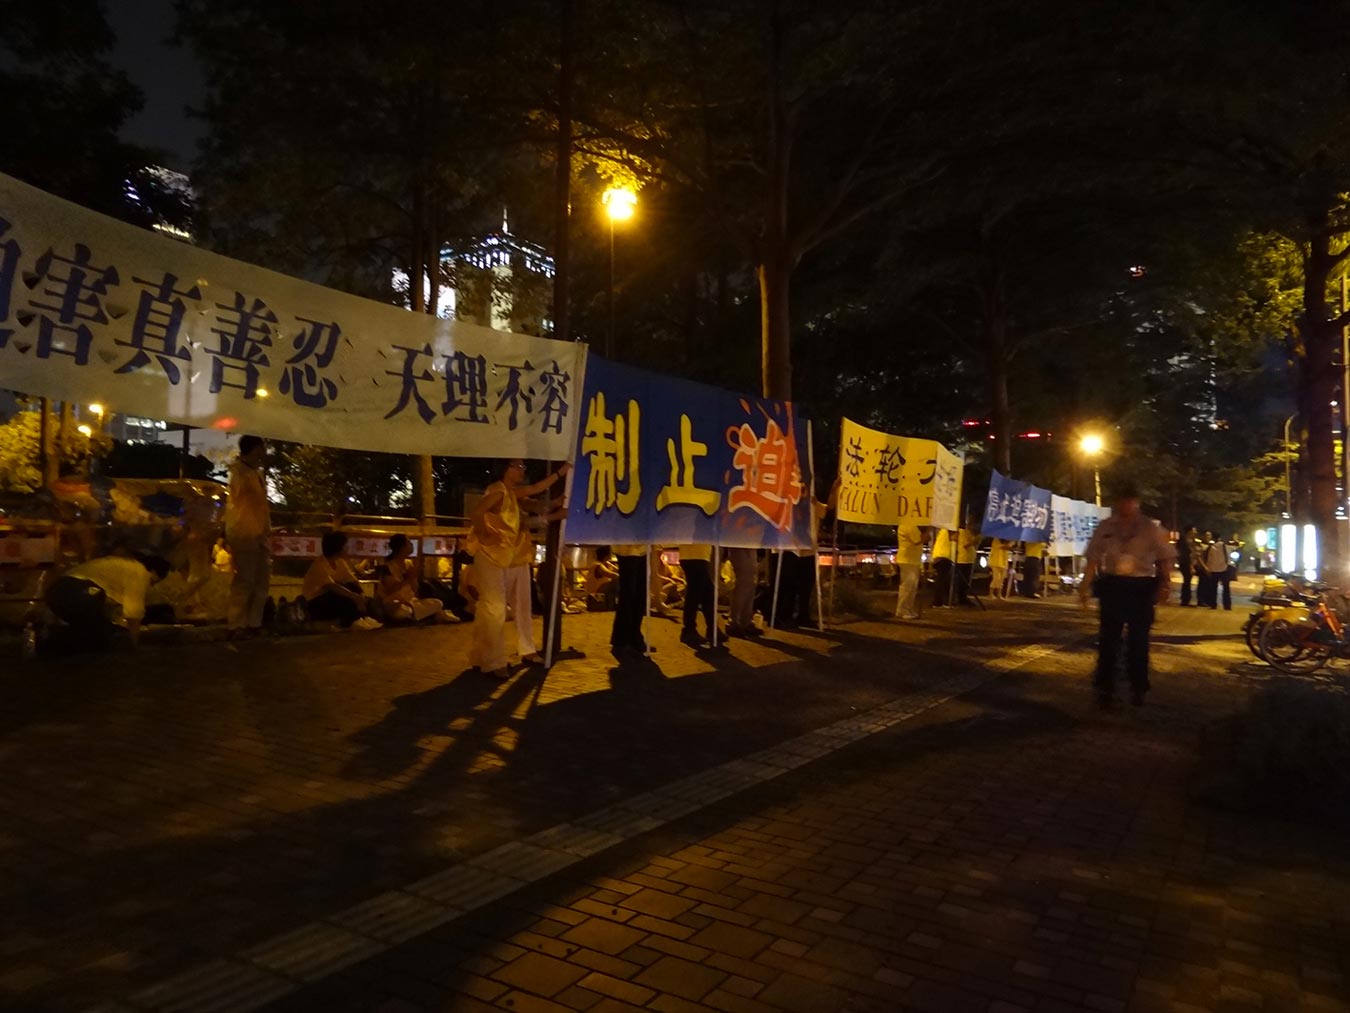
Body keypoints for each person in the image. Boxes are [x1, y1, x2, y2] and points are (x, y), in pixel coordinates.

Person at [1079, 484, 1176, 708]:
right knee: (1108, 639)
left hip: (1141, 587)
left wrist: (1165, 584)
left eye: (1131, 502)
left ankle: (1138, 687)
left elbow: (1164, 557)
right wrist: (1085, 586)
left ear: (1137, 503)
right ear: (1117, 502)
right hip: (1113, 585)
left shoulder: (1149, 527)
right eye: (1123, 501)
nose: (1127, 506)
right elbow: (1093, 557)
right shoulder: (1106, 526)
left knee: (1138, 640)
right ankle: (1105, 688)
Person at [469, 458, 567, 676]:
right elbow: (477, 513)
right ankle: (493, 661)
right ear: (506, 469)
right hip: (492, 555)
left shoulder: (514, 494)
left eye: (523, 466)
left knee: (521, 605)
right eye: (518, 466)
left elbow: (535, 502)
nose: (523, 470)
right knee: (494, 608)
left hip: (516, 555)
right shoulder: (498, 491)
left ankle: (525, 650)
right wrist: (484, 533)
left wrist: (556, 503)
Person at [46, 551, 171, 649]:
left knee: (88, 629)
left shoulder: (123, 566)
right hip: (77, 590)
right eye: (153, 582)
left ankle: (54, 644)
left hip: (56, 591)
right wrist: (134, 643)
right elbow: (134, 612)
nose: (149, 586)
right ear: (153, 572)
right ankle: (54, 644)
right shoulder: (139, 572)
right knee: (102, 633)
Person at [225, 435, 272, 636]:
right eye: (261, 447)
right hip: (244, 533)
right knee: (245, 580)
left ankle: (254, 623)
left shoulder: (256, 472)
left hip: (259, 534)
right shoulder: (238, 472)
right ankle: (236, 625)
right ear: (255, 449)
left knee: (262, 580)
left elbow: (261, 506)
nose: (264, 452)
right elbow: (236, 502)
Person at [302, 531, 381, 630]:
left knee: (353, 589)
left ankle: (362, 617)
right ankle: (352, 622)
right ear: (338, 548)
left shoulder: (340, 562)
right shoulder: (319, 565)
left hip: (330, 596)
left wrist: (361, 595)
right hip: (316, 602)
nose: (347, 548)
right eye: (345, 546)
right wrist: (355, 597)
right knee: (344, 596)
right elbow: (332, 586)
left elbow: (352, 580)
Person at [377, 534, 457, 624]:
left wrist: (413, 578)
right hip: (393, 604)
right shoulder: (388, 566)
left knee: (438, 603)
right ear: (401, 547)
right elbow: (391, 589)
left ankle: (423, 617)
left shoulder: (408, 563)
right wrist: (408, 578)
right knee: (404, 612)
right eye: (409, 543)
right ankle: (431, 616)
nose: (411, 545)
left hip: (410, 603)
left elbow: (415, 589)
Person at [610, 543, 650, 657]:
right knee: (628, 594)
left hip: (642, 548)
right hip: (627, 548)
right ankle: (622, 639)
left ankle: (634, 636)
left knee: (640, 594)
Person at [678, 543, 719, 647]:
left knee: (707, 593)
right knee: (695, 594)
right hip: (694, 556)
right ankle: (689, 630)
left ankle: (712, 629)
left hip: (698, 555)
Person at [727, 546, 763, 636]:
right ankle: (734, 621)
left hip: (750, 543)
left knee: (750, 581)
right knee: (744, 580)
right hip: (740, 543)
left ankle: (745, 620)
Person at [894, 525, 924, 619]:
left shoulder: (911, 525)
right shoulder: (908, 525)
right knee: (907, 587)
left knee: (912, 588)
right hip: (908, 560)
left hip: (912, 560)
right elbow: (917, 540)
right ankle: (903, 610)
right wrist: (928, 530)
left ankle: (908, 609)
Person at [1198, 531, 1226, 609]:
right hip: (1205, 568)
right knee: (1203, 585)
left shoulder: (1212, 545)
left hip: (1211, 568)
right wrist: (1205, 567)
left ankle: (1209, 602)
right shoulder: (1202, 545)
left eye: (1209, 535)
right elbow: (1200, 557)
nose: (1208, 537)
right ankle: (1202, 601)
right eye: (1206, 535)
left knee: (1210, 586)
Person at [1176, 525, 1197, 607]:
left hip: (1187, 563)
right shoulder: (1183, 540)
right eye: (1193, 531)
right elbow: (1184, 553)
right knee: (1187, 581)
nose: (1195, 533)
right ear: (1189, 531)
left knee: (1187, 581)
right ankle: (1185, 600)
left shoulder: (1191, 540)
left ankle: (1186, 599)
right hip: (1185, 563)